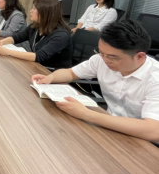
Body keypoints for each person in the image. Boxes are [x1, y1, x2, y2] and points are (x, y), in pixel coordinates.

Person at [31, 20, 159, 143]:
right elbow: (70, 73)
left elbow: (153, 130)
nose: (105, 60)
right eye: (101, 53)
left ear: (139, 57)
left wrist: (86, 114)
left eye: (113, 57)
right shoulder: (101, 60)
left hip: (142, 141)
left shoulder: (155, 79)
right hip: (110, 127)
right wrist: (50, 78)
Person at [0, 0, 72, 69]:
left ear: (45, 12)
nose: (31, 11)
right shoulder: (35, 27)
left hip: (52, 72)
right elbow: (17, 37)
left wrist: (7, 52)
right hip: (36, 66)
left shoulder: (61, 35)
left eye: (34, 8)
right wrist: (2, 42)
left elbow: (39, 56)